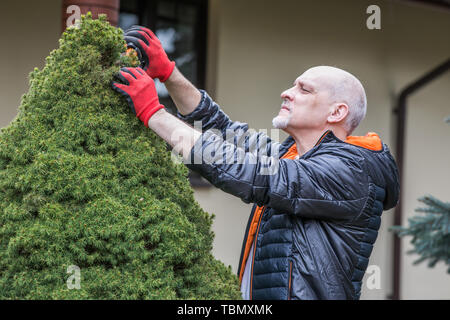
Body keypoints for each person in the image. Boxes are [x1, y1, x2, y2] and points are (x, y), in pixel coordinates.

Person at [112, 26, 400, 300]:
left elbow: (248, 172)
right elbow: (221, 130)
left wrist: (153, 112)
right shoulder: (293, 157)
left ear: (337, 112)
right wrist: (169, 73)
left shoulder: (350, 171)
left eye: (304, 89)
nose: (287, 92)